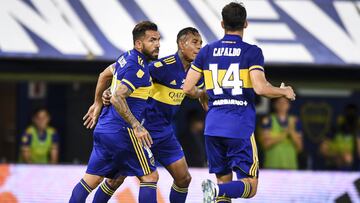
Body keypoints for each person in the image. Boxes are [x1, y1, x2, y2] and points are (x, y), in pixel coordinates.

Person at [183, 2, 296, 202]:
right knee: (250, 187)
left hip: (213, 127)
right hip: (239, 126)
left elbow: (186, 88)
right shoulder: (251, 52)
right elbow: (261, 88)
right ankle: (217, 191)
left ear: (221, 24)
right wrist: (283, 91)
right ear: (245, 23)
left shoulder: (207, 51)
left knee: (224, 185)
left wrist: (202, 93)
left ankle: (218, 191)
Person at [84, 27, 204, 203]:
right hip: (142, 132)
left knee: (184, 178)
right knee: (115, 180)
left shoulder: (196, 72)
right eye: (195, 42)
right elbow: (131, 77)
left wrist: (203, 95)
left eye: (201, 43)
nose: (199, 47)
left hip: (164, 133)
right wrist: (110, 91)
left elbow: (194, 91)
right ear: (181, 44)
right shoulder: (161, 66)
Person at [69, 21, 160, 203]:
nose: (157, 44)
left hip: (104, 129)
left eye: (158, 40)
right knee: (150, 177)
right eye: (152, 40)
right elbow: (118, 97)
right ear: (139, 44)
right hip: (123, 131)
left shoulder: (126, 57)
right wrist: (136, 125)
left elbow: (104, 74)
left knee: (97, 180)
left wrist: (97, 103)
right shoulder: (138, 67)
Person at [260, 97, 303, 169]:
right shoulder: (268, 120)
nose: (282, 105)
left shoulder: (295, 121)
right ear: (275, 105)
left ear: (289, 105)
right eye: (279, 102)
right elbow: (266, 144)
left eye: (285, 102)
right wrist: (285, 133)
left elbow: (300, 147)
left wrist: (292, 132)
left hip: (290, 166)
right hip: (272, 165)